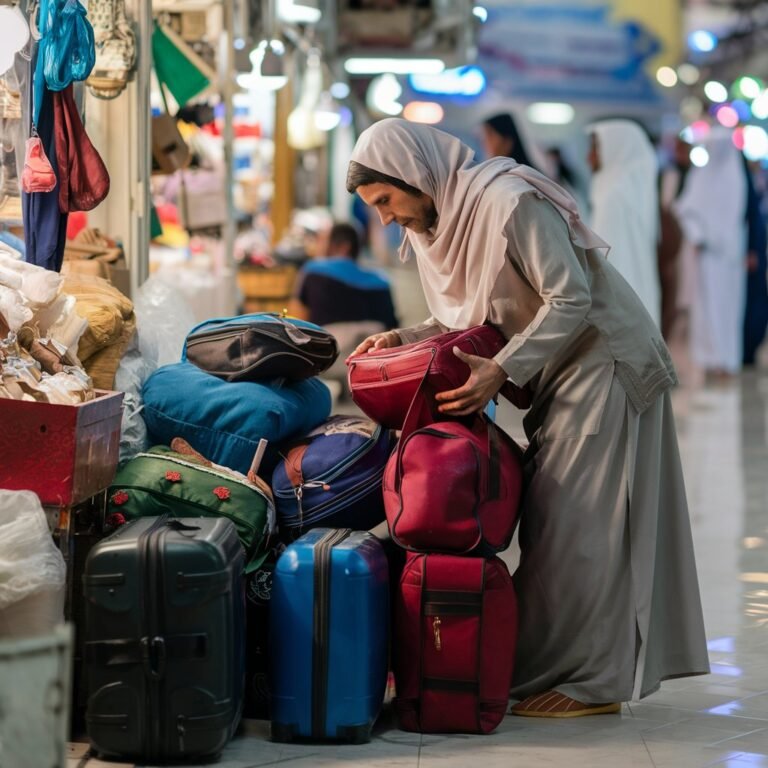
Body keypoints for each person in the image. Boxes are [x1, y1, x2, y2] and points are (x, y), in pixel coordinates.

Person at [346, 118, 709, 717]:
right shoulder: (449, 222)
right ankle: (560, 668)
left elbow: (572, 297)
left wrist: (502, 369)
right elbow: (470, 315)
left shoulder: (509, 202)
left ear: (414, 176)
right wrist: (401, 338)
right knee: (559, 525)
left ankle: (588, 685)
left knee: (576, 531)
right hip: (559, 371)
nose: (385, 218)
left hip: (603, 364)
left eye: (386, 200)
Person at [675, 128, 748, 381]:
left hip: (728, 258)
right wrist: (698, 236)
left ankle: (726, 361)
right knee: (706, 309)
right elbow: (685, 209)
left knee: (727, 310)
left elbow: (735, 218)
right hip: (706, 257)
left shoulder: (735, 177)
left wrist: (721, 241)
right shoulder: (701, 175)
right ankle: (708, 360)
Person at [288, 221, 398, 382]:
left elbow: (296, 322)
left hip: (328, 359)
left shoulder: (313, 270)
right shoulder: (382, 280)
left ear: (343, 247)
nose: (317, 247)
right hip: (373, 359)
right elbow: (392, 328)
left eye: (322, 241)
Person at [588, 120, 662, 327]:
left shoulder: (616, 196)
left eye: (595, 148)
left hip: (618, 292)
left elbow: (605, 257)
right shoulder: (616, 188)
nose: (589, 157)